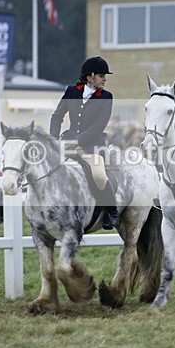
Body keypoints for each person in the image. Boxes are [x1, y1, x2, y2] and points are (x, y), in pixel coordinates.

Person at [50, 55, 119, 229]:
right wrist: (52, 140)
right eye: (101, 75)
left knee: (99, 175)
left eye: (105, 76)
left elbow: (99, 126)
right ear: (90, 77)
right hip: (67, 142)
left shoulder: (106, 96)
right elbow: (57, 116)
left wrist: (77, 141)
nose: (105, 79)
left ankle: (111, 211)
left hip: (93, 146)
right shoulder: (71, 91)